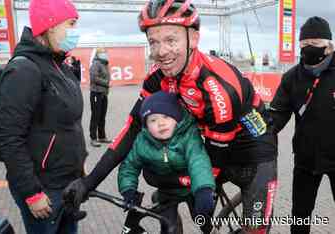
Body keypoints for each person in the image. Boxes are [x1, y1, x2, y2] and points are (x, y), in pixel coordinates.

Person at [64, 1, 278, 233]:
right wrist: (89, 183)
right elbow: (132, 129)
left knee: (254, 227)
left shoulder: (216, 87)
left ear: (193, 39)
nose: (161, 51)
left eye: (170, 40)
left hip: (254, 152)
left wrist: (195, 187)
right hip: (214, 143)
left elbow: (214, 162)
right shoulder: (158, 78)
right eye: (153, 42)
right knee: (164, 177)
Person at [0, 0, 87, 233]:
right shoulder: (24, 70)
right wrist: (31, 192)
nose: (75, 32)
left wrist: (78, 166)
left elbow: (69, 124)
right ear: (50, 25)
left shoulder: (60, 65)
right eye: (71, 24)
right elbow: (9, 138)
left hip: (67, 183)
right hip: (43, 190)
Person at [269, 16, 335, 234]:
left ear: (329, 46)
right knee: (299, 216)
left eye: (315, 44)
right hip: (306, 158)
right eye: (305, 45)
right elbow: (276, 116)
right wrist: (256, 133)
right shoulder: (291, 78)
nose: (309, 49)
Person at [118, 91, 216, 233]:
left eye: (166, 117)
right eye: (153, 120)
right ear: (145, 125)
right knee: (168, 228)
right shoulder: (142, 141)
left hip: (192, 187)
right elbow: (129, 166)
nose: (161, 123)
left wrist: (203, 189)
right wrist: (128, 190)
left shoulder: (188, 136)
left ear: (177, 119)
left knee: (203, 220)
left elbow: (198, 161)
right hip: (167, 191)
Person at [89, 47, 112, 147]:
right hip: (96, 93)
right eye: (103, 52)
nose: (105, 54)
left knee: (102, 116)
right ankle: (93, 138)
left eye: (105, 52)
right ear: (98, 54)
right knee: (96, 116)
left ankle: (102, 136)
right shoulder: (96, 64)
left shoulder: (104, 64)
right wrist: (106, 83)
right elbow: (93, 78)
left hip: (103, 93)